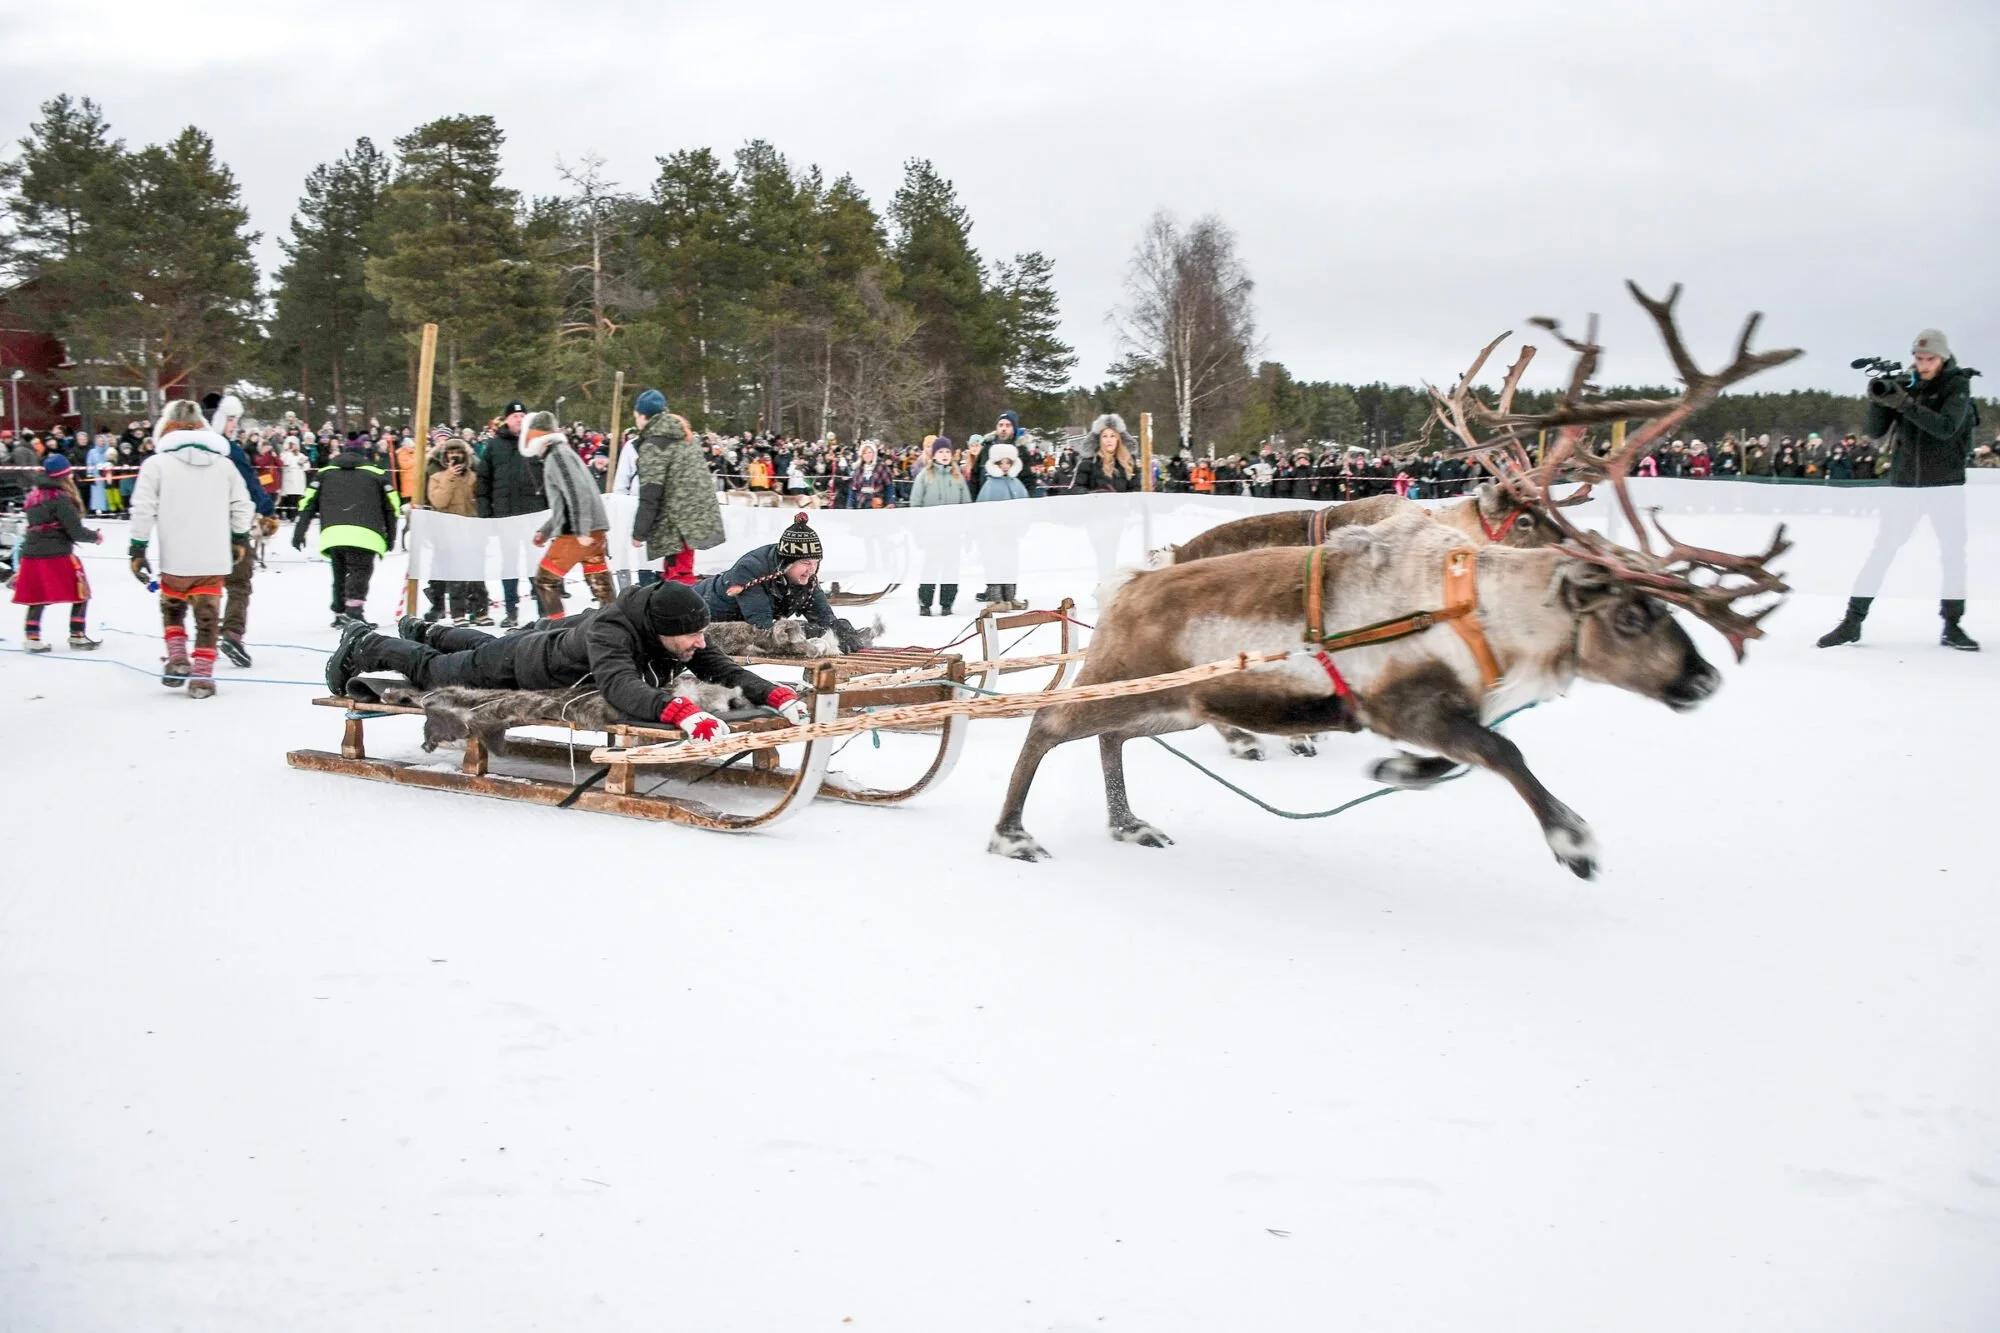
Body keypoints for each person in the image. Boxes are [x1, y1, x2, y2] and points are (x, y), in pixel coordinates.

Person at [324, 581, 813, 734]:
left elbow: (720, 668)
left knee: (469, 646)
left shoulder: (681, 633)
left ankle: (430, 630)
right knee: (434, 671)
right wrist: (681, 711)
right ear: (660, 631)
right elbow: (619, 687)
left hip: (541, 646)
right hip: (518, 665)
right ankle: (367, 644)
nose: (698, 645)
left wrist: (775, 693)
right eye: (688, 637)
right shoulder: (614, 632)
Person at [1818, 329, 1980, 651]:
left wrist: (1904, 403)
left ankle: (1952, 625)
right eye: (1918, 358)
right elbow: (1875, 431)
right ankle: (1852, 621)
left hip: (1945, 484)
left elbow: (1945, 428)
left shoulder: (1957, 385)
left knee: (1952, 556)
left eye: (1929, 359)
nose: (1923, 364)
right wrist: (1880, 399)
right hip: (1905, 484)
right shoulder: (1908, 383)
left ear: (1943, 358)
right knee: (1882, 552)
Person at [128, 400, 256, 699]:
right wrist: (238, 538)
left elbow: (143, 509)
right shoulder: (224, 465)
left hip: (175, 556)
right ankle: (202, 676)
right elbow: (243, 505)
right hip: (214, 555)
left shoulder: (156, 465)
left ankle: (177, 658)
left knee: (172, 608)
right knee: (208, 615)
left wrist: (138, 547)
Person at [694, 512, 863, 650]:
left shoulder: (805, 580)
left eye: (815, 563)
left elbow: (822, 616)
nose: (811, 570)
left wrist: (837, 627)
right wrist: (806, 630)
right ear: (787, 564)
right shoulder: (751, 570)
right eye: (805, 563)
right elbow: (761, 629)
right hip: (696, 613)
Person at [200, 394, 279, 668]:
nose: (235, 425)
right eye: (232, 419)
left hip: (194, 528)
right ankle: (232, 634)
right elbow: (249, 485)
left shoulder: (185, 449)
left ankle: (203, 642)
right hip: (230, 525)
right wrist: (267, 509)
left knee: (203, 587)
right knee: (238, 583)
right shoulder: (228, 450)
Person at [291, 432, 400, 628]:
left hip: (333, 532)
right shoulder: (377, 474)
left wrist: (300, 531)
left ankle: (340, 609)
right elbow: (392, 506)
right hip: (367, 533)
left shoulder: (324, 473)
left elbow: (307, 502)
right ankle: (354, 610)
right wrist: (391, 535)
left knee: (339, 572)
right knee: (359, 571)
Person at [521, 411, 613, 618]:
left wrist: (581, 530)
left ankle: (558, 629)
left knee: (545, 581)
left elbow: (576, 492)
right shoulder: (563, 453)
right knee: (599, 581)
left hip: (577, 531)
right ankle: (614, 621)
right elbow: (565, 503)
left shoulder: (557, 456)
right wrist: (546, 531)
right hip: (594, 528)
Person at [630, 389, 725, 585]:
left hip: (676, 520)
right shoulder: (685, 438)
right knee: (682, 568)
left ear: (642, 416)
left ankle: (684, 611)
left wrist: (640, 532)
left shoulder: (654, 444)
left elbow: (651, 491)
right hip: (693, 517)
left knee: (678, 576)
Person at [12, 454, 102, 651]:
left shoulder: (34, 497)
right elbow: (75, 531)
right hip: (57, 553)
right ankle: (77, 634)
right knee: (81, 592)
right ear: (64, 475)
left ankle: (32, 638)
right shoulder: (61, 499)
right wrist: (95, 537)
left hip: (31, 553)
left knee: (38, 596)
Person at [474, 400, 544, 626]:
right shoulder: (494, 446)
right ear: (506, 419)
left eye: (523, 415)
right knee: (509, 565)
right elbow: (483, 481)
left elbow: (548, 477)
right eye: (514, 416)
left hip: (534, 515)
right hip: (506, 515)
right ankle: (511, 611)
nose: (519, 419)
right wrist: (485, 512)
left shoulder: (535, 443)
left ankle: (545, 611)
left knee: (538, 564)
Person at [425, 438, 488, 623]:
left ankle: (481, 610)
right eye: (451, 454)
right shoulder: (436, 478)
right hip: (449, 533)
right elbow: (439, 501)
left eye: (459, 454)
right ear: (445, 458)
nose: (455, 458)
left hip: (473, 530)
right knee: (455, 576)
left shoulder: (474, 478)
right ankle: (458, 613)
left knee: (477, 574)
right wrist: (450, 477)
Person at [908, 436, 971, 616]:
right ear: (934, 454)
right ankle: (925, 603)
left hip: (952, 533)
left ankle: (947, 603)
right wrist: (918, 530)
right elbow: (915, 504)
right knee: (931, 566)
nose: (944, 455)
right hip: (932, 533)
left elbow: (966, 504)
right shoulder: (924, 476)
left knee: (951, 567)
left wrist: (965, 528)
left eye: (947, 452)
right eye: (940, 452)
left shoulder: (958, 477)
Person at [974, 439, 1030, 610]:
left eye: (1008, 462)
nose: (1005, 466)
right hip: (993, 535)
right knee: (994, 564)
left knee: (1011, 563)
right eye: (1001, 462)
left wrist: (1022, 525)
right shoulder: (990, 485)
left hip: (1011, 534)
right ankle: (996, 598)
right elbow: (982, 511)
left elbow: (1024, 507)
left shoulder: (1016, 484)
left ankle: (1010, 596)